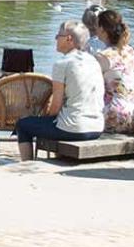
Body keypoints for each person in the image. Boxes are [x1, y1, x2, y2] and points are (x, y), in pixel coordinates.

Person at [16, 21, 104, 160]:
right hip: (97, 126)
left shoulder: (63, 63)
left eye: (58, 35)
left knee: (23, 125)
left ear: (69, 39)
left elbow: (56, 105)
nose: (55, 39)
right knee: (50, 122)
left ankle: (26, 164)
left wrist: (46, 118)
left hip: (75, 127)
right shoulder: (93, 62)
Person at [93, 9, 134, 134]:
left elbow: (89, 86)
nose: (94, 28)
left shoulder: (103, 57)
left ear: (102, 29)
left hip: (115, 117)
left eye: (96, 25)